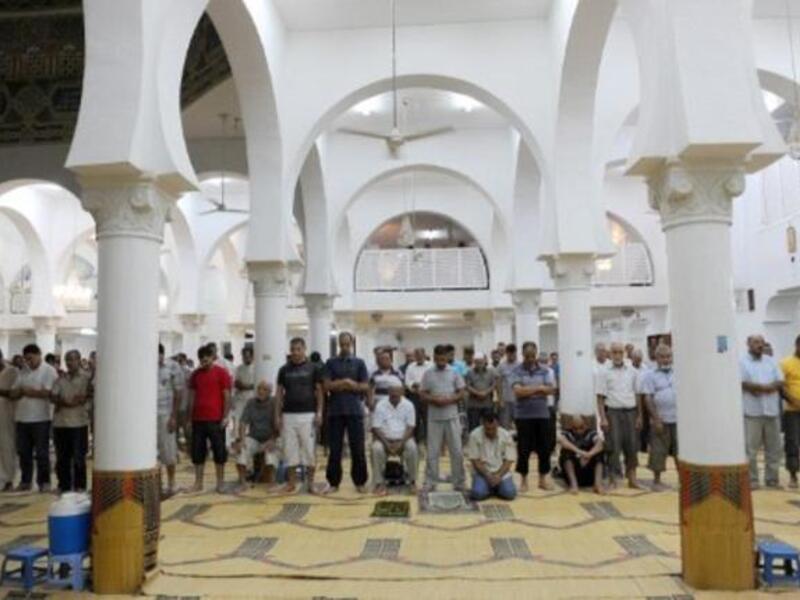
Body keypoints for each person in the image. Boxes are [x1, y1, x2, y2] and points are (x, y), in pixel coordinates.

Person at [323, 332, 370, 493]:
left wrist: (351, 385)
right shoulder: (330, 363)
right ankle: (333, 482)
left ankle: (360, 482)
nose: (344, 347)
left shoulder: (359, 363)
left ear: (351, 344)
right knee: (335, 449)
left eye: (347, 344)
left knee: (358, 448)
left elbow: (365, 386)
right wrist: (345, 382)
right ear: (338, 344)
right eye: (342, 344)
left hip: (355, 410)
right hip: (335, 411)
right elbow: (327, 386)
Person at [276, 337, 324, 494]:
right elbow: (279, 394)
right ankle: (291, 483)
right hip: (288, 415)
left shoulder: (313, 368)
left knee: (309, 450)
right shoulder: (283, 370)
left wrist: (319, 412)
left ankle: (310, 484)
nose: (295, 352)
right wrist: (277, 416)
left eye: (298, 349)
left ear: (304, 349)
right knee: (290, 451)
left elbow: (319, 392)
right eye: (293, 349)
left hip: (308, 415)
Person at [9, 344, 58, 492]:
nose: (28, 362)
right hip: (22, 418)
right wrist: (21, 392)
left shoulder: (49, 371)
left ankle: (44, 482)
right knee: (24, 452)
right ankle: (25, 481)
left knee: (42, 453)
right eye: (26, 359)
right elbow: (13, 393)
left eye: (30, 358)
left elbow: (49, 393)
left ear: (39, 355)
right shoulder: (23, 371)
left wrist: (27, 391)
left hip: (41, 418)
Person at [511, 341, 556, 492]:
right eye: (527, 356)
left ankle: (542, 479)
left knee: (544, 448)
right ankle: (523, 480)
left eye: (532, 355)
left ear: (536, 354)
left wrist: (528, 390)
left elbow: (551, 390)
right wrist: (539, 389)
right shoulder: (516, 370)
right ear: (522, 355)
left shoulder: (545, 370)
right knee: (523, 448)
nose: (530, 359)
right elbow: (518, 392)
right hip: (523, 416)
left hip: (542, 415)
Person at [596, 342, 642, 489]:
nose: (617, 355)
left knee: (632, 445)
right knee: (613, 445)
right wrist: (602, 418)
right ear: (610, 353)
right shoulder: (604, 372)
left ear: (624, 353)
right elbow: (600, 397)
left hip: (631, 412)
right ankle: (613, 478)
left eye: (620, 352)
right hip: (613, 413)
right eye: (614, 352)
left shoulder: (632, 371)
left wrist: (640, 416)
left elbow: (638, 394)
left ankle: (632, 478)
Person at [420, 344, 466, 492]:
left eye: (443, 359)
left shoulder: (454, 372)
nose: (441, 362)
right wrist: (434, 399)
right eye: (438, 359)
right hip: (434, 417)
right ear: (434, 358)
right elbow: (422, 394)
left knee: (457, 451)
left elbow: (461, 393)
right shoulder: (427, 374)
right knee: (433, 451)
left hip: (452, 416)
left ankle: (458, 481)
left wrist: (450, 399)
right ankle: (431, 480)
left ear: (447, 358)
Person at [740, 334, 783, 489]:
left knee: (774, 448)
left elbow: (779, 381)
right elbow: (743, 383)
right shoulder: (741, 362)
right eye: (756, 342)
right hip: (752, 412)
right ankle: (752, 480)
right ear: (748, 344)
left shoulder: (771, 361)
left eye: (761, 342)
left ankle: (772, 480)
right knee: (751, 449)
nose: (760, 345)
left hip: (771, 411)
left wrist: (763, 388)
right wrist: (764, 388)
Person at [188, 344, 232, 493]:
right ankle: (198, 483)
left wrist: (225, 416)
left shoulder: (222, 373)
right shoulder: (195, 375)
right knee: (197, 452)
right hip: (198, 419)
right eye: (201, 361)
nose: (204, 363)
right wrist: (189, 418)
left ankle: (220, 483)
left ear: (212, 358)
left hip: (216, 419)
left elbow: (227, 396)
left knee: (219, 451)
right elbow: (192, 397)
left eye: (206, 360)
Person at [50, 349, 91, 493]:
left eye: (72, 359)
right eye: (67, 359)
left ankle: (80, 486)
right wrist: (64, 402)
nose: (69, 362)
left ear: (79, 360)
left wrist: (81, 399)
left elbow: (87, 396)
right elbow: (53, 396)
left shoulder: (86, 378)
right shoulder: (60, 379)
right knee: (62, 458)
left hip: (79, 423)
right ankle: (64, 486)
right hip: (60, 424)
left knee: (79, 457)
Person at [640, 344, 677, 490]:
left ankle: (683, 480)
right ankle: (656, 481)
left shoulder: (678, 372)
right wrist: (655, 419)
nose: (666, 359)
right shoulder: (649, 375)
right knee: (658, 450)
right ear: (656, 358)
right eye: (662, 357)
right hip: (660, 420)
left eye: (668, 356)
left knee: (680, 450)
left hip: (678, 419)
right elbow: (648, 398)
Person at [371, 384, 418, 496]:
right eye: (392, 396)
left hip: (403, 439)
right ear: (388, 393)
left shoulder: (409, 405)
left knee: (412, 448)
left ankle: (412, 481)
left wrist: (401, 443)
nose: (394, 398)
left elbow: (411, 427)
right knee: (376, 448)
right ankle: (379, 483)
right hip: (384, 439)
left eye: (397, 395)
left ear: (402, 393)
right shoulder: (381, 405)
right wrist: (387, 444)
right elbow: (376, 427)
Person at [233, 380, 278, 491]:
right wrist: (242, 440)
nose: (261, 392)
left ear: (270, 392)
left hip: (271, 438)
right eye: (259, 389)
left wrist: (272, 439)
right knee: (242, 449)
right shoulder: (251, 402)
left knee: (271, 452)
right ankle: (243, 482)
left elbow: (279, 425)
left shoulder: (274, 403)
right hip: (254, 437)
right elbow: (243, 423)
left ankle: (272, 482)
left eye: (264, 389)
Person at [467, 410, 517, 501]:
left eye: (493, 429)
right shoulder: (474, 435)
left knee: (510, 494)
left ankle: (493, 487)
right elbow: (475, 461)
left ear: (498, 425)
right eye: (487, 429)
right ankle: (492, 488)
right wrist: (488, 475)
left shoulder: (506, 435)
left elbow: (509, 460)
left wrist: (498, 475)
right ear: (483, 425)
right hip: (482, 473)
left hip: (501, 472)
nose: (490, 432)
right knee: (477, 494)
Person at [157, 344, 183, 495]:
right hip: (148, 416)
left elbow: (178, 393)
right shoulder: (144, 365)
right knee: (151, 451)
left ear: (162, 354)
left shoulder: (173, 367)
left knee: (168, 450)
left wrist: (174, 416)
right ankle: (156, 483)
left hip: (166, 414)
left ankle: (171, 482)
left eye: (158, 355)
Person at [558, 415, 605, 494]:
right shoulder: (567, 433)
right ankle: (574, 484)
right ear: (571, 426)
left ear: (586, 425)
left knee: (599, 453)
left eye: (581, 428)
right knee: (566, 452)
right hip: (574, 472)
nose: (578, 431)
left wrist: (590, 454)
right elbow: (563, 442)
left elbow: (600, 444)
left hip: (589, 473)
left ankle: (598, 484)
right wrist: (580, 452)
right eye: (575, 428)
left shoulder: (591, 433)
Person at [780, 334, 800, 489]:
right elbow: (780, 386)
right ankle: (793, 475)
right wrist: (792, 399)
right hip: (792, 411)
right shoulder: (786, 363)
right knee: (792, 443)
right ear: (797, 345)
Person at [0, 350, 19, 491]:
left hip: (6, 415)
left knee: (7, 446)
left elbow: (14, 393)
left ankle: (8, 479)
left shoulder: (11, 371)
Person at [465, 353, 497, 434]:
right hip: (474, 405)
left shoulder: (491, 372)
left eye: (481, 362)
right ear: (474, 362)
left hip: (487, 405)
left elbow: (494, 384)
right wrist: (477, 393)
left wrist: (486, 392)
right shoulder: (469, 372)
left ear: (484, 361)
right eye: (477, 362)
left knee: (489, 426)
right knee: (473, 428)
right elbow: (467, 386)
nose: (479, 364)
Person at [404, 348, 431, 443]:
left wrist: (422, 385)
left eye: (420, 355)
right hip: (414, 396)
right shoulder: (410, 367)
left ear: (424, 355)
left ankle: (429, 441)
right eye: (417, 355)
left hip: (427, 396)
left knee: (428, 419)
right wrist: (414, 385)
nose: (419, 357)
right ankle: (416, 442)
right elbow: (407, 381)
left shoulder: (430, 366)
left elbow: (432, 379)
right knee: (414, 419)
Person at [232, 347, 256, 439]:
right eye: (244, 356)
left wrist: (246, 386)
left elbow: (256, 384)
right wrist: (247, 386)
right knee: (239, 420)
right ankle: (239, 440)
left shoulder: (256, 368)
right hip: (240, 399)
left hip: (252, 398)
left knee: (251, 421)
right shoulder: (239, 368)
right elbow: (236, 383)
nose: (246, 358)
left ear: (252, 356)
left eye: (248, 356)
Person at [496, 344, 519, 430]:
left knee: (519, 424)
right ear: (506, 354)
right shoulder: (501, 366)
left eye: (513, 354)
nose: (512, 356)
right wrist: (500, 399)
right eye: (509, 354)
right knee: (505, 425)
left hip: (518, 400)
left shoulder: (520, 366)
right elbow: (498, 383)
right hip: (505, 400)